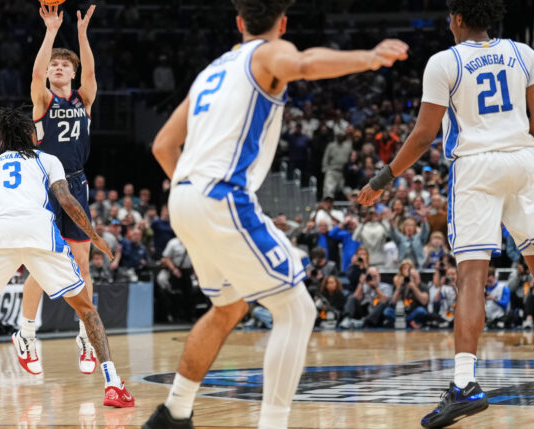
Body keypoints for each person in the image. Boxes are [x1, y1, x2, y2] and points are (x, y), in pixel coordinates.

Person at [143, 0, 407, 427]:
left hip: (184, 195)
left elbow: (162, 146)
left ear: (238, 21)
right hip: (219, 195)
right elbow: (302, 64)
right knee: (297, 309)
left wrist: (194, 194)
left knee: (228, 308)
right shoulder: (266, 53)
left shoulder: (210, 71)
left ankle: (173, 411)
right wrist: (369, 58)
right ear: (282, 24)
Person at [358, 0, 534, 426]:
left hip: (476, 167)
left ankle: (464, 384)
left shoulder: (444, 62)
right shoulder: (524, 54)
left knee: (471, 275)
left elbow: (423, 136)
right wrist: (510, 141)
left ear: (456, 19)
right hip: (523, 161)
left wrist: (382, 179)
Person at [0, 107, 133, 409]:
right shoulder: (48, 160)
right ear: (30, 135)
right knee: (87, 310)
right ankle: (113, 385)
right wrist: (94, 236)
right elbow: (67, 201)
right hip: (40, 233)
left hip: (0, 235)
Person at [19, 3, 101, 376]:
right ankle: (26, 332)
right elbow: (36, 73)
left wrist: (82, 35)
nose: (58, 67)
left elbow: (91, 69)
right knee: (41, 260)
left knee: (81, 263)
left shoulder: (83, 99)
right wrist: (51, 32)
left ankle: (85, 335)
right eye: (55, 64)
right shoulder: (44, 99)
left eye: (65, 65)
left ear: (73, 72)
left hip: (77, 184)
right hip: (45, 186)